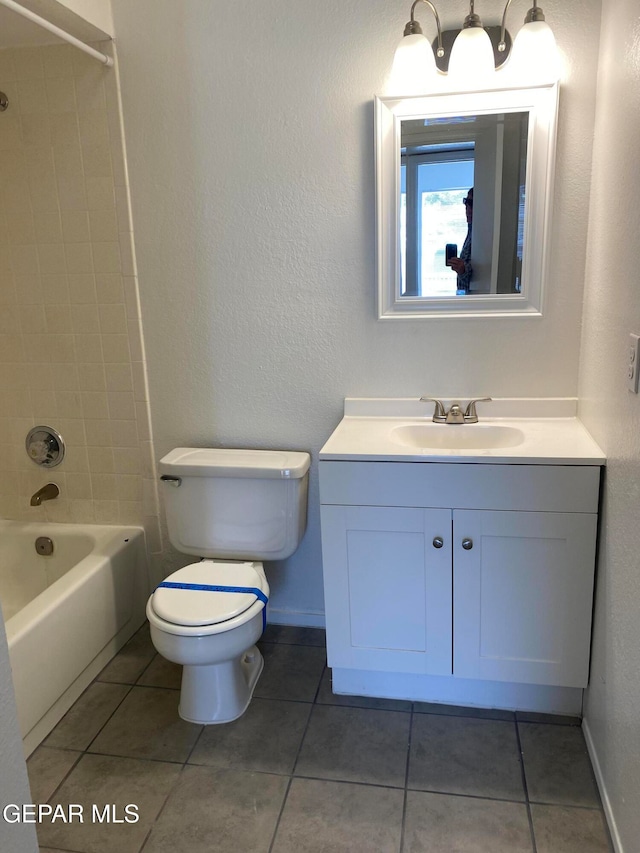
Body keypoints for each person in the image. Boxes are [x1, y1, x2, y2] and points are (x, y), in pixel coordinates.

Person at [449, 188, 473, 293]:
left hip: (474, 301)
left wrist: (463, 269)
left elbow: (484, 272)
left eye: (471, 203)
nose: (467, 209)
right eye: (466, 203)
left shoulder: (484, 234)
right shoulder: (472, 231)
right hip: (464, 296)